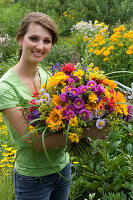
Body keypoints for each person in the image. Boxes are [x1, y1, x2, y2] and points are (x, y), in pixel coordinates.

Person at [0, 12, 107, 200]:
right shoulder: (5, 88)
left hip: (62, 168)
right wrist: (86, 132)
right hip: (32, 179)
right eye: (34, 38)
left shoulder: (47, 75)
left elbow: (62, 117)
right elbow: (34, 141)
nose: (40, 46)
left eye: (47, 41)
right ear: (20, 39)